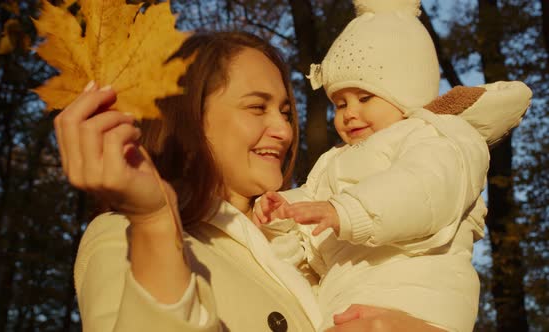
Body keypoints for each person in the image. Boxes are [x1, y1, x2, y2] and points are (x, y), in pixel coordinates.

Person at [54, 31, 456, 331]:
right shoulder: (129, 239)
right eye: (256, 107)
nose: (283, 130)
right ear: (190, 116)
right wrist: (155, 224)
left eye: (284, 111)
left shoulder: (319, 246)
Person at [253, 1, 532, 331]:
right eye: (340, 103)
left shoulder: (437, 136)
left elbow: (423, 189)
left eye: (365, 98)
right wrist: (282, 215)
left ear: (406, 93)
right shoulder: (334, 161)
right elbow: (311, 220)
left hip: (416, 299)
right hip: (345, 303)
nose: (349, 113)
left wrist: (347, 211)